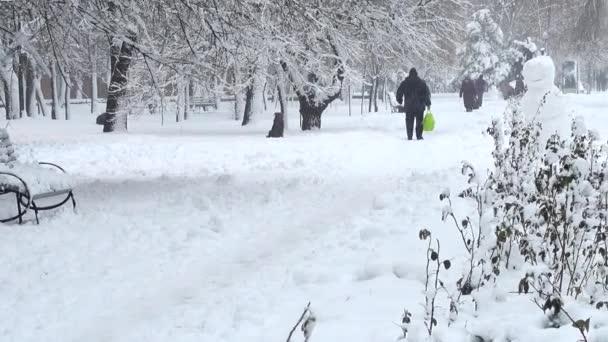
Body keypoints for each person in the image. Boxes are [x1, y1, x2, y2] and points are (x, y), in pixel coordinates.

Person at [396, 68, 431, 140]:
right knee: (419, 121)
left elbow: (399, 92)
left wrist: (400, 100)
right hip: (420, 106)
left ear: (409, 74)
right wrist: (428, 104)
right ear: (416, 74)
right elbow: (426, 94)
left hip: (409, 106)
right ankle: (419, 136)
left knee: (409, 121)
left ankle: (409, 136)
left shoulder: (405, 83)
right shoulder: (421, 83)